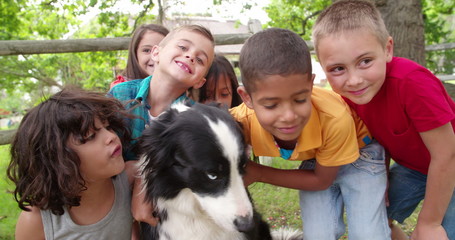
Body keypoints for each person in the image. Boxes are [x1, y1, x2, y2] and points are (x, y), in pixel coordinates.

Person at [312, 1, 455, 239]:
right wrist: (383, 179)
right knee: (375, 218)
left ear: (387, 49)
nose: (354, 80)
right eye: (338, 68)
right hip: (414, 167)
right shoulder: (345, 100)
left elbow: (447, 154)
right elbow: (377, 138)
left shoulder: (412, 83)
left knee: (440, 232)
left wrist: (429, 222)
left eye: (365, 61)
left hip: (449, 161)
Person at [230, 28, 390, 239]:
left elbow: (321, 180)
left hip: (362, 155)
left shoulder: (334, 118)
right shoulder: (238, 122)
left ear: (310, 85)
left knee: (368, 234)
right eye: (271, 105)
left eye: (299, 100)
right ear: (247, 98)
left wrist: (259, 173)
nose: (288, 116)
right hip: (318, 159)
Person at [108, 24, 215, 234]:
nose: (190, 56)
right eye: (183, 47)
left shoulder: (193, 121)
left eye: (200, 59)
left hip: (159, 212)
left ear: (199, 81)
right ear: (156, 53)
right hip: (113, 195)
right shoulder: (121, 96)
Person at [7, 87, 139, 240]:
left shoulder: (129, 179)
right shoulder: (37, 221)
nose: (110, 137)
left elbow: (147, 169)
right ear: (57, 159)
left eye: (107, 126)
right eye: (90, 136)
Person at [110, 24, 170, 88]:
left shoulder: (178, 87)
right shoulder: (122, 90)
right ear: (135, 54)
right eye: (147, 50)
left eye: (161, 51)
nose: (154, 56)